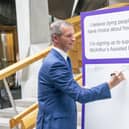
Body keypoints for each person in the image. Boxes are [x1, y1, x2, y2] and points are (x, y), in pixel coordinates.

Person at [36, 20, 125, 129]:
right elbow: (81, 96)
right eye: (68, 36)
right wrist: (111, 83)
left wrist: (80, 88)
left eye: (73, 34)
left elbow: (66, 89)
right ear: (55, 38)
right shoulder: (55, 63)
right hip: (55, 125)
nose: (73, 39)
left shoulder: (62, 59)